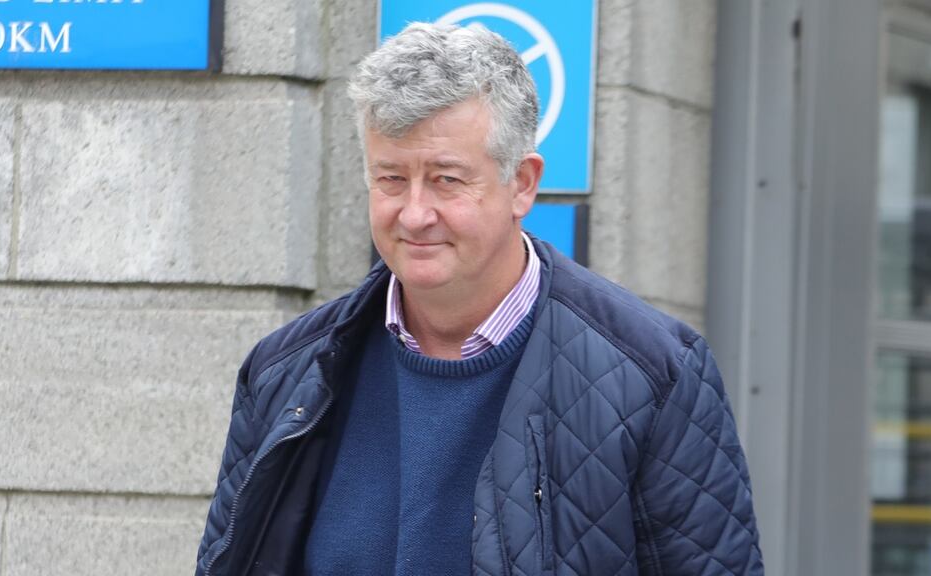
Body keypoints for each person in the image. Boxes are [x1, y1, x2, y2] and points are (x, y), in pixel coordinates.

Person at [196, 22, 763, 576]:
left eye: (446, 179)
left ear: (522, 184)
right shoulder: (282, 374)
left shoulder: (655, 376)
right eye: (391, 179)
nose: (415, 214)